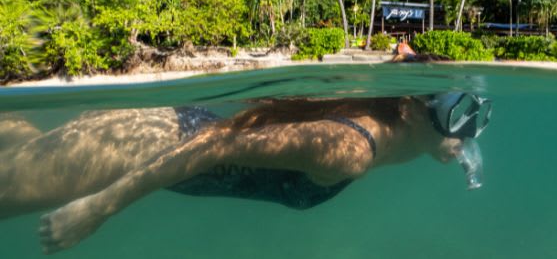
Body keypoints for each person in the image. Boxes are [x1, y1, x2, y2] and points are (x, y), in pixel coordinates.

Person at [0, 93, 491, 255]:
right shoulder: (350, 149)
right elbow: (217, 144)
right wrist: (99, 207)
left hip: (159, 135)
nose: (466, 131)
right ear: (407, 108)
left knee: (22, 151)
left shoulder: (394, 136)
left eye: (473, 122)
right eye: (454, 115)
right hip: (143, 149)